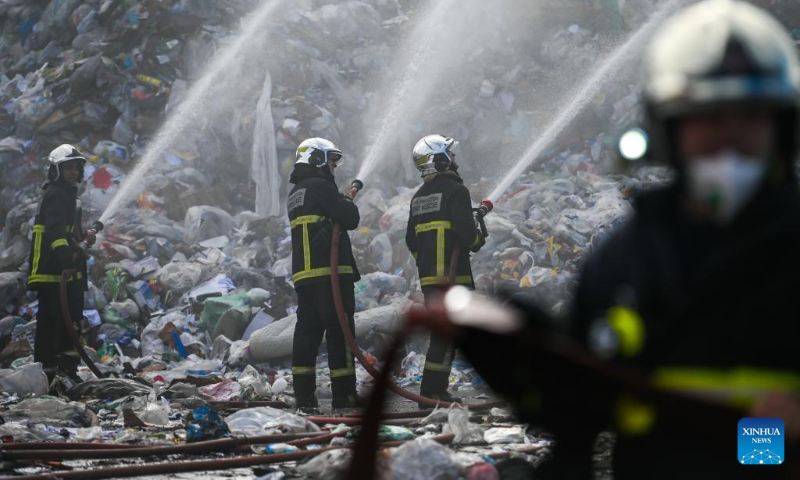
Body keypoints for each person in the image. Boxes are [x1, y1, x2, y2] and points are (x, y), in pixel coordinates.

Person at [416, 1, 800, 478]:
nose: (727, 142)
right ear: (668, 132)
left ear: (782, 131)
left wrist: (767, 445)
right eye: (706, 121)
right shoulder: (625, 261)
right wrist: (520, 358)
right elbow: (576, 418)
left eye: (748, 120)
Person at [405, 134, 485, 407]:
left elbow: (410, 240)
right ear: (437, 160)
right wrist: (477, 239)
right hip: (455, 277)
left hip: (430, 279)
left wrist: (426, 264)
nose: (454, 159)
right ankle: (430, 392)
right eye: (449, 154)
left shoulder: (418, 197)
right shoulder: (456, 190)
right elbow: (466, 235)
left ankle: (435, 390)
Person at [287, 137, 365, 409]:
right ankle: (344, 395)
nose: (334, 167)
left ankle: (304, 397)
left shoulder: (296, 192)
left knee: (306, 335)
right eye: (331, 161)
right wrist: (344, 201)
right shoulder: (321, 186)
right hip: (330, 275)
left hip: (305, 277)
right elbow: (351, 219)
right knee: (340, 333)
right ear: (318, 160)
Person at [28, 144, 94, 382]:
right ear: (56, 170)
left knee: (50, 321)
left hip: (55, 271)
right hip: (56, 271)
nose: (74, 172)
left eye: (76, 168)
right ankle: (65, 371)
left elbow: (65, 232)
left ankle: (48, 371)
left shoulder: (64, 194)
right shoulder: (57, 195)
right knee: (65, 320)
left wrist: (82, 237)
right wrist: (67, 260)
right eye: (68, 168)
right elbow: (55, 233)